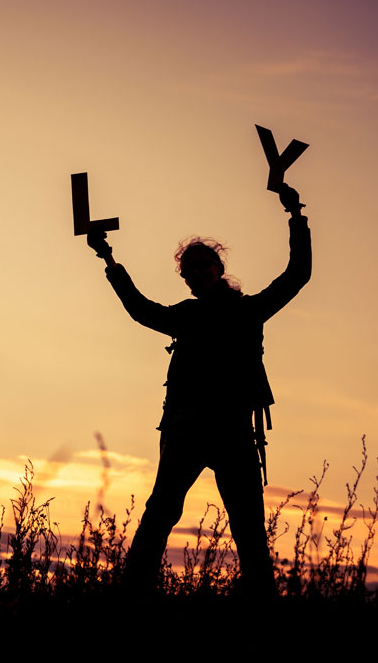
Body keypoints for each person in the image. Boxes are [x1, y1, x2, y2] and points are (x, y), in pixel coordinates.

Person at [87, 183, 311, 594]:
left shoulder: (248, 310)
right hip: (187, 428)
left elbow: (298, 275)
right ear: (187, 280)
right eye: (189, 270)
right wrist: (110, 261)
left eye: (203, 265)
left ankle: (261, 601)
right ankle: (133, 593)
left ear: (218, 268)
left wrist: (296, 214)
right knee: (160, 513)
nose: (197, 273)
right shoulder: (186, 316)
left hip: (233, 430)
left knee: (247, 523)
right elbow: (141, 309)